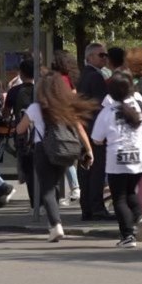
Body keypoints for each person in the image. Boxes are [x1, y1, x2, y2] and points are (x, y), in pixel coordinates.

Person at [16, 71, 95, 242]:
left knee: (47, 189)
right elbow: (80, 129)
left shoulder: (35, 108)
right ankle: (55, 218)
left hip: (43, 150)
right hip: (63, 150)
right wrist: (88, 150)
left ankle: (55, 225)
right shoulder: (66, 107)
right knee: (55, 185)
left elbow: (20, 129)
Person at [91, 71, 142, 247]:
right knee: (131, 191)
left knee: (120, 197)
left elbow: (96, 139)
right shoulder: (139, 104)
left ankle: (128, 236)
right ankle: (141, 216)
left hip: (117, 159)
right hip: (138, 158)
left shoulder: (107, 112)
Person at [76, 42, 114, 221]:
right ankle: (97, 208)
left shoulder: (83, 75)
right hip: (94, 130)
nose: (105, 58)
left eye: (105, 55)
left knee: (86, 170)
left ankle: (87, 208)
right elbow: (102, 106)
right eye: (101, 55)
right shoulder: (95, 77)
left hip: (84, 128)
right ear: (89, 57)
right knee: (97, 171)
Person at [51, 50, 81, 202]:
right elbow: (74, 96)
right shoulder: (69, 78)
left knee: (60, 153)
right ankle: (75, 187)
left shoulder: (55, 79)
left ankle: (73, 188)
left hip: (57, 118)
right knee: (67, 153)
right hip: (69, 117)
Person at [4, 58, 35, 205]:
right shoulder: (41, 89)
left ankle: (34, 202)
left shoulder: (14, 91)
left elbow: (6, 112)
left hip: (23, 135)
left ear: (21, 74)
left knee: (28, 167)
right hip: (41, 134)